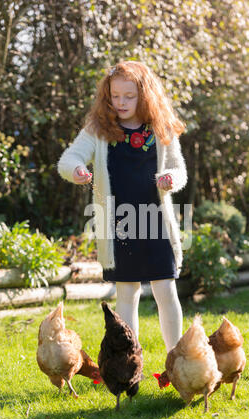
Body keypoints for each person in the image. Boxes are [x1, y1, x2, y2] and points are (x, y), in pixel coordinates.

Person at [57, 61, 187, 352]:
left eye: (129, 96)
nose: (121, 102)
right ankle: (131, 363)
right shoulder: (98, 129)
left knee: (166, 289)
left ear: (145, 94)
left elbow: (179, 170)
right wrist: (77, 169)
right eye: (115, 96)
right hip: (118, 224)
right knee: (127, 292)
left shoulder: (161, 127)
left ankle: (176, 361)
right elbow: (69, 159)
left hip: (156, 221)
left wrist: (170, 179)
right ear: (108, 95)